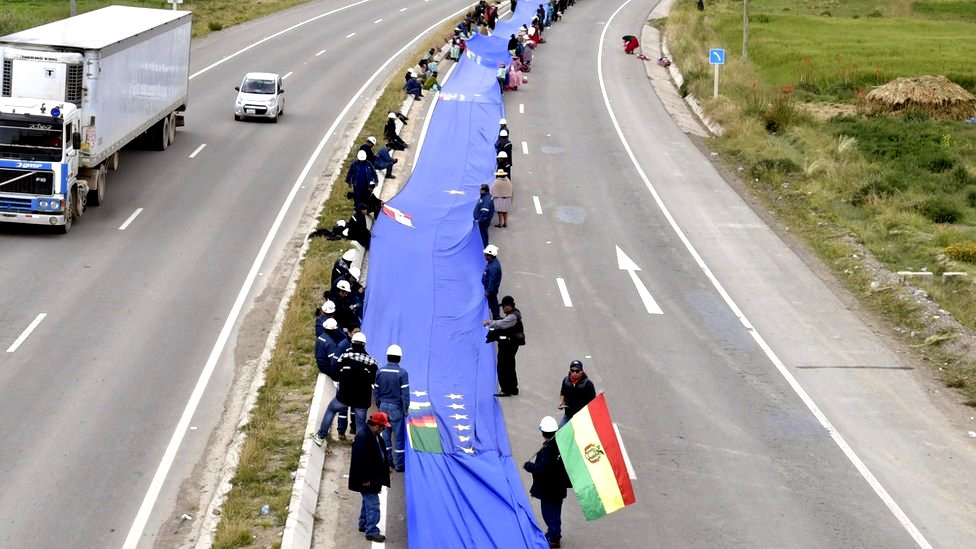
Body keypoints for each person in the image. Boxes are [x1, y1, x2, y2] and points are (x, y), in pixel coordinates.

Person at [313, 331, 378, 444]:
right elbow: (374, 380)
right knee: (360, 423)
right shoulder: (372, 362)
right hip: (362, 399)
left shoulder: (345, 356)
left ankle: (321, 436)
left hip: (344, 395)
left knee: (331, 409)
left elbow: (334, 373)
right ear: (364, 344)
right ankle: (359, 445)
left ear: (352, 343)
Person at [523, 416, 571, 548]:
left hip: (549, 490)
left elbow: (542, 469)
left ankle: (554, 538)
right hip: (558, 488)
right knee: (554, 513)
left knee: (549, 514)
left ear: (543, 432)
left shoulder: (549, 450)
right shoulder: (559, 444)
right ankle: (552, 533)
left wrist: (529, 466)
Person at [349, 411, 392, 543]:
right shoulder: (363, 437)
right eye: (382, 427)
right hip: (367, 479)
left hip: (372, 477)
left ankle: (364, 524)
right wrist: (364, 479)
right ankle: (372, 531)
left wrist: (386, 466)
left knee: (367, 501)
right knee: (373, 504)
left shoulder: (374, 435)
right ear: (376, 425)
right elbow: (358, 461)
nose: (383, 429)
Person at [374, 344, 410, 472]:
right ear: (399, 358)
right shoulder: (402, 373)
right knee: (399, 439)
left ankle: (387, 462)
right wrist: (405, 410)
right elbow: (405, 394)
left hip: (383, 407)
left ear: (387, 356)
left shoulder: (380, 371)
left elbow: (376, 391)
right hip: (396, 409)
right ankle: (399, 465)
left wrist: (379, 405)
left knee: (385, 437)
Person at [484, 295, 523, 396]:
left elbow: (501, 324)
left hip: (508, 345)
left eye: (504, 306)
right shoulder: (514, 314)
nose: (503, 309)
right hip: (511, 344)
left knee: (503, 366)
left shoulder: (512, 317)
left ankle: (506, 389)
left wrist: (489, 322)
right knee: (510, 365)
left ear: (509, 306)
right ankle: (513, 388)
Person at [558, 360, 596, 426]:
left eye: (577, 371)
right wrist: (561, 403)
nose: (574, 373)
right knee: (560, 432)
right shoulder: (566, 381)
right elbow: (563, 393)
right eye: (572, 370)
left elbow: (593, 401)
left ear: (581, 371)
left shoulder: (587, 384)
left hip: (582, 417)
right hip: (568, 415)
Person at [482, 244, 502, 320]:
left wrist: (488, 291)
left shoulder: (493, 267)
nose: (484, 255)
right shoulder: (492, 263)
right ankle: (496, 314)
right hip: (491, 288)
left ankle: (496, 316)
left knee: (493, 301)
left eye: (486, 254)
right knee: (493, 301)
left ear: (490, 256)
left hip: (491, 290)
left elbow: (492, 281)